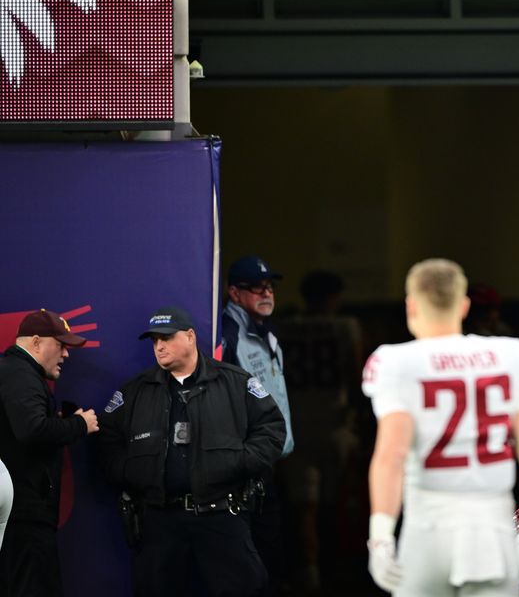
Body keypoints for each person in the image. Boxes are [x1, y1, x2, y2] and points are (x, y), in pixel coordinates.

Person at [361, 258, 519, 596]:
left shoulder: (396, 361)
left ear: (411, 305)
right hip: (490, 532)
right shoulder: (510, 354)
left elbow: (391, 457)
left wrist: (380, 536)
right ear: (463, 306)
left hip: (427, 529)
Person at [96, 306, 287, 597]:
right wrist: (133, 472)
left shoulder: (234, 382)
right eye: (154, 340)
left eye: (167, 338)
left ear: (190, 336)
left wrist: (237, 463)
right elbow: (106, 438)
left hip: (222, 515)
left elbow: (272, 428)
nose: (159, 346)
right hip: (160, 521)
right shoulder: (136, 391)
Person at [277, 270, 365, 594]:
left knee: (305, 507)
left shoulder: (285, 328)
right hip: (335, 422)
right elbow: (355, 376)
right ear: (333, 297)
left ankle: (311, 572)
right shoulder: (345, 327)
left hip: (298, 422)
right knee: (335, 503)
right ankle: (334, 571)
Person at [0, 309, 97, 597]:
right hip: (22, 516)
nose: (66, 354)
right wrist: (80, 425)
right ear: (37, 342)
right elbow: (32, 430)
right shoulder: (19, 373)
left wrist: (61, 422)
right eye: (61, 344)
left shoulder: (17, 374)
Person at [218, 255, 292, 594]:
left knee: (271, 548)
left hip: (269, 459)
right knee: (256, 556)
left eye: (270, 286)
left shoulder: (265, 331)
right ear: (235, 293)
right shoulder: (228, 334)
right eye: (256, 287)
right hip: (247, 464)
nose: (267, 293)